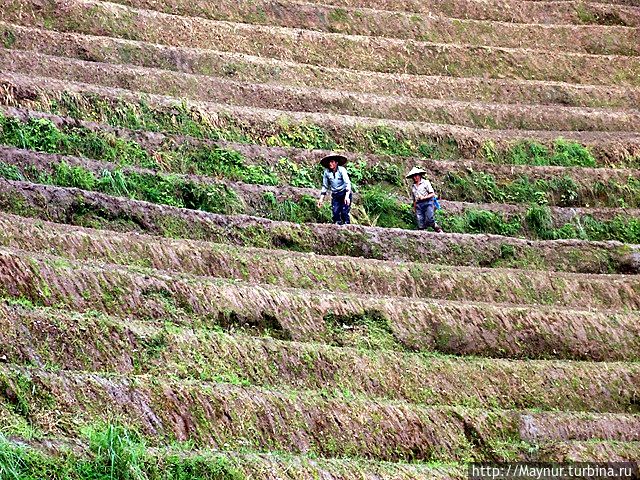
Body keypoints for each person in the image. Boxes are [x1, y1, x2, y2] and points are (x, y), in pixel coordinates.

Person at [317, 154, 352, 225]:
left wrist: (347, 196)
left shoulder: (341, 170)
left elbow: (347, 183)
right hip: (335, 194)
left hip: (344, 192)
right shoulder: (326, 172)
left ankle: (347, 227)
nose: (330, 164)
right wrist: (321, 199)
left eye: (332, 162)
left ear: (336, 163)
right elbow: (325, 186)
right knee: (335, 212)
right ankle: (337, 227)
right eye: (329, 162)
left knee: (344, 212)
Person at [406, 167, 443, 232]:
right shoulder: (413, 187)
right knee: (420, 222)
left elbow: (432, 194)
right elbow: (414, 199)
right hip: (418, 205)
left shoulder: (426, 183)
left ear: (419, 175)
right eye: (413, 176)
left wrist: (424, 197)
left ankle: (438, 229)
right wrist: (414, 208)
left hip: (428, 202)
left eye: (416, 176)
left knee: (429, 219)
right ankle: (423, 236)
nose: (415, 178)